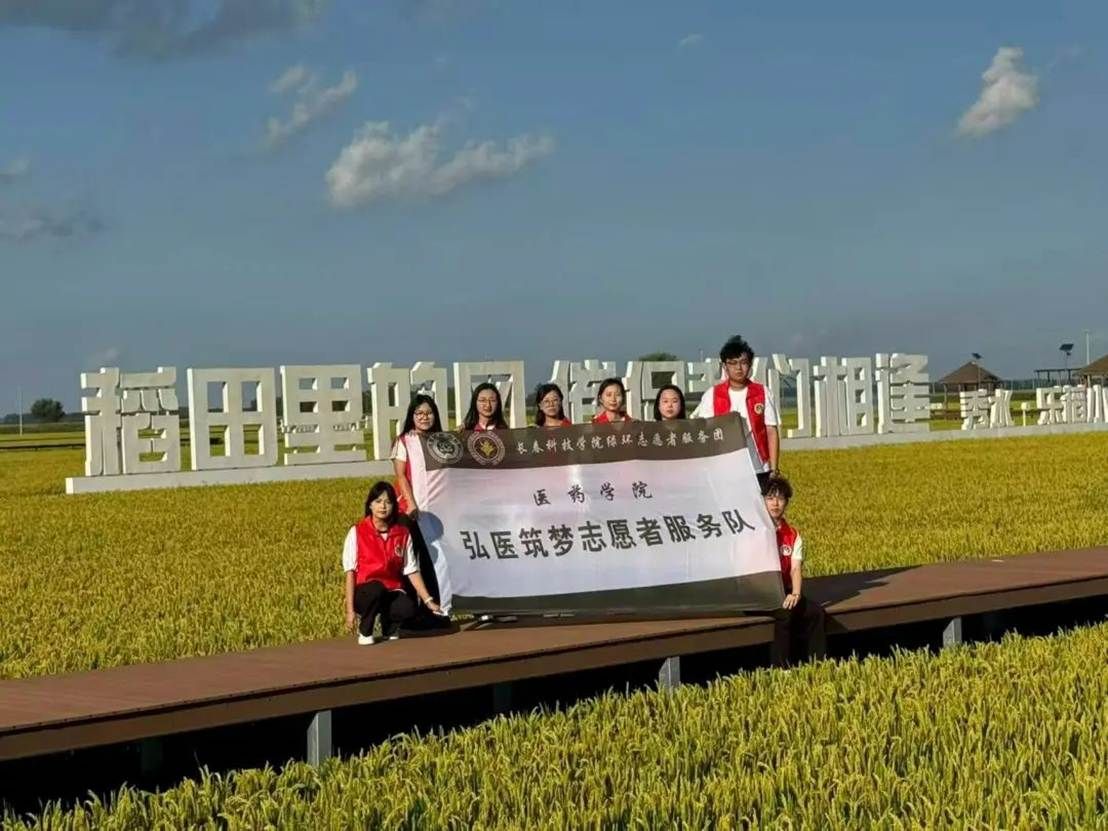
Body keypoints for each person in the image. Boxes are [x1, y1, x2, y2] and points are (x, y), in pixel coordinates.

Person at [343, 482, 442, 645]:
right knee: (376, 589)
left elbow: (411, 570)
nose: (383, 507)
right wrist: (350, 611)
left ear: (394, 506)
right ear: (370, 505)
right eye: (378, 501)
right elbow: (350, 573)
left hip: (391, 590)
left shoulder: (402, 534)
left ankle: (389, 626)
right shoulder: (357, 532)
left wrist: (428, 600)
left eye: (388, 502)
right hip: (366, 591)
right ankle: (365, 630)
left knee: (407, 608)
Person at [390, 394, 453, 615]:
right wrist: (411, 503)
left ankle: (436, 610)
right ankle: (410, 611)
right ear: (412, 416)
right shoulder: (403, 441)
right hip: (411, 511)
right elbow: (400, 475)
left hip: (438, 512)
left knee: (434, 560)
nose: (425, 417)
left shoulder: (442, 441)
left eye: (429, 413)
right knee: (411, 560)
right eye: (419, 413)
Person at [692, 334, 780, 490]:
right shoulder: (712, 395)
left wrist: (774, 469)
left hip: (758, 467)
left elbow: (771, 431)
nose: (738, 368)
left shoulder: (762, 392)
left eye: (743, 362)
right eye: (733, 363)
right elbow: (704, 431)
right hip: (723, 469)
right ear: (724, 366)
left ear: (750, 365)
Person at [763, 476, 826, 667]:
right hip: (760, 591)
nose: (775, 503)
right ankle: (781, 667)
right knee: (785, 613)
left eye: (780, 498)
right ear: (763, 500)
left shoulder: (793, 535)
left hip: (784, 589)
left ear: (786, 502)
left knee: (815, 612)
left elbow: (795, 568)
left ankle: (818, 663)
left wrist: (796, 594)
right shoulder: (755, 530)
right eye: (770, 498)